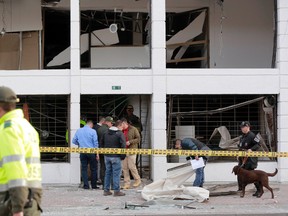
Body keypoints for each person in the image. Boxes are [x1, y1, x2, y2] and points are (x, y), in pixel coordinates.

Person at [0, 86, 42, 216]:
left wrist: (17, 208)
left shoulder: (8, 129)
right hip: (31, 199)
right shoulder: (26, 126)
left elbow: (15, 168)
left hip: (13, 202)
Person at [101, 120, 126, 196]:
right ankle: (116, 191)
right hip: (116, 156)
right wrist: (122, 156)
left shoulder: (105, 133)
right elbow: (123, 145)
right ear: (119, 126)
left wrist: (104, 153)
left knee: (108, 173)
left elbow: (101, 143)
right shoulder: (119, 134)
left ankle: (106, 190)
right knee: (116, 174)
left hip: (107, 156)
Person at [237, 121, 262, 197]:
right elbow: (241, 147)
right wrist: (238, 154)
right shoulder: (242, 136)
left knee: (252, 176)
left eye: (243, 127)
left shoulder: (252, 135)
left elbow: (258, 144)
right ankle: (241, 189)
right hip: (243, 159)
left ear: (248, 127)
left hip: (250, 160)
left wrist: (251, 149)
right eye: (241, 127)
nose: (242, 128)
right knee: (240, 173)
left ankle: (259, 190)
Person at [72, 120, 99, 189]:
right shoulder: (93, 131)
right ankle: (93, 185)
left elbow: (73, 141)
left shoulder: (79, 131)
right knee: (93, 169)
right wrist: (97, 154)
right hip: (91, 152)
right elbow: (95, 143)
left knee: (84, 169)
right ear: (91, 125)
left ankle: (86, 185)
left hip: (82, 152)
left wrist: (79, 143)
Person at [121, 118, 142, 189]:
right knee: (124, 168)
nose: (121, 126)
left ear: (125, 123)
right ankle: (127, 183)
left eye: (122, 124)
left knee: (131, 166)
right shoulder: (121, 130)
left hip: (132, 150)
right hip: (124, 151)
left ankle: (137, 179)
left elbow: (138, 139)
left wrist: (130, 142)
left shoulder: (133, 129)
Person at [96, 116, 114, 188]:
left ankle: (103, 184)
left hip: (100, 150)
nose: (112, 124)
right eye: (111, 123)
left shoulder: (98, 129)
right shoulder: (108, 130)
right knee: (110, 167)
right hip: (108, 151)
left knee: (102, 167)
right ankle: (110, 184)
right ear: (107, 122)